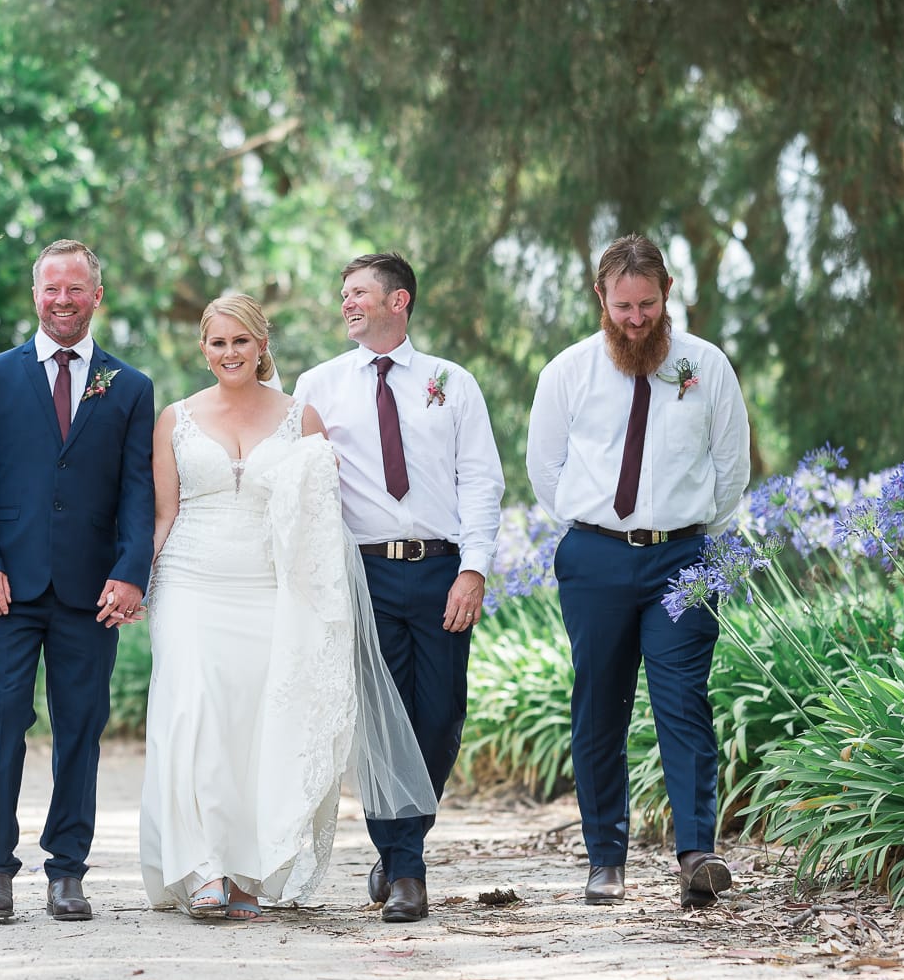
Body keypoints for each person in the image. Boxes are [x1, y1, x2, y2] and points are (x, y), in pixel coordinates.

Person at [140, 295, 435, 919]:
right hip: (189, 583)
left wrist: (324, 608)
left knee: (255, 726)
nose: (229, 354)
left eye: (241, 342)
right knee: (193, 713)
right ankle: (199, 869)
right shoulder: (175, 419)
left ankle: (245, 870)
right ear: (203, 348)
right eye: (218, 343)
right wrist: (132, 583)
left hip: (269, 588)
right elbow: (162, 516)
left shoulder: (302, 420)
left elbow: (322, 528)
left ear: (261, 344)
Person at [526, 234, 751, 907]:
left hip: (682, 556)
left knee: (683, 703)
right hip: (594, 557)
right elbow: (546, 468)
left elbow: (730, 465)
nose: (636, 318)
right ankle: (605, 859)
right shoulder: (566, 372)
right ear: (601, 298)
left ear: (667, 294)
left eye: (647, 304)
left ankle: (696, 853)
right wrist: (589, 525)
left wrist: (700, 538)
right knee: (600, 704)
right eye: (623, 306)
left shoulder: (706, 367)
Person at [295, 253, 505, 922]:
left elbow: (482, 479)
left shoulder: (453, 382)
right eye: (344, 292)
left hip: (442, 567)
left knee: (440, 718)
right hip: (364, 572)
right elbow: (304, 484)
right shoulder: (318, 386)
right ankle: (408, 871)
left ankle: (401, 844)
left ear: (399, 301)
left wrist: (473, 568)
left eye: (359, 293)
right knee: (384, 722)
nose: (346, 303)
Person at [0, 240, 155, 922]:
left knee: (81, 728)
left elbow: (137, 491)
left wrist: (131, 574)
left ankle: (67, 868)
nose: (62, 300)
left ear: (97, 295)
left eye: (76, 288)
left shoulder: (129, 386)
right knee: (3, 720)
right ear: (34, 295)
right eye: (51, 289)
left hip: (91, 594)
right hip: (7, 586)